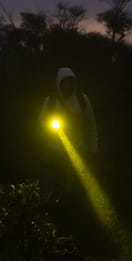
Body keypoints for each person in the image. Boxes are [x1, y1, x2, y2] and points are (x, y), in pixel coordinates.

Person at [38, 67, 98, 195]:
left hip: (79, 149)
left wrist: (93, 150)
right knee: (58, 184)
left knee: (79, 185)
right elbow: (41, 124)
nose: (67, 85)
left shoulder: (82, 100)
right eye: (64, 82)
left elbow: (91, 124)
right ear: (59, 83)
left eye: (70, 82)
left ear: (74, 82)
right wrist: (49, 128)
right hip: (56, 151)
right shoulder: (50, 102)